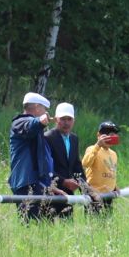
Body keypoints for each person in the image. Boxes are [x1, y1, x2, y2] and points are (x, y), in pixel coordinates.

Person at [8, 92, 55, 221]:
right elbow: (30, 125)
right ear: (36, 107)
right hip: (26, 183)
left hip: (37, 183)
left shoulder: (36, 128)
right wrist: (39, 121)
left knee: (44, 226)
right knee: (30, 224)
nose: (46, 113)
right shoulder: (19, 122)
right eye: (44, 109)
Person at [45, 101, 86, 220]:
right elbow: (45, 167)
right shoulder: (48, 137)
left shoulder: (74, 139)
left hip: (68, 192)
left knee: (67, 227)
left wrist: (84, 187)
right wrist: (63, 181)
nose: (66, 123)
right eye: (63, 119)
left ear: (74, 121)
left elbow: (76, 165)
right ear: (56, 119)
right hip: (51, 191)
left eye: (69, 119)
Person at [82, 121, 119, 214]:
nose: (110, 138)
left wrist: (114, 186)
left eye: (113, 135)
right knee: (93, 219)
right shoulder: (92, 149)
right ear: (99, 135)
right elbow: (85, 163)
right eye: (107, 135)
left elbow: (111, 171)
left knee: (107, 221)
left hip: (108, 193)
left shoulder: (114, 154)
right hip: (93, 193)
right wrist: (98, 146)